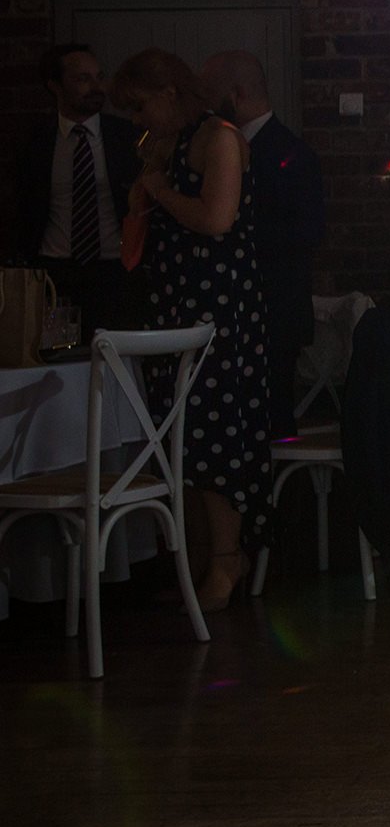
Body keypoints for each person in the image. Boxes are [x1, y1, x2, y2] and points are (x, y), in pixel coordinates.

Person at [111, 48, 273, 613]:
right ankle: (198, 557)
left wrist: (158, 192)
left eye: (140, 107)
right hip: (176, 304)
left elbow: (216, 218)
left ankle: (228, 558)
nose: (137, 120)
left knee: (217, 432)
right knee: (181, 434)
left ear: (170, 94)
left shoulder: (220, 138)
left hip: (220, 311)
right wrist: (142, 197)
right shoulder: (167, 144)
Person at [197, 50, 325, 438]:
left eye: (210, 94)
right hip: (240, 311)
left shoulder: (291, 154)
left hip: (273, 313)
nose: (204, 105)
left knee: (271, 426)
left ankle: (277, 497)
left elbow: (306, 235)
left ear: (235, 95)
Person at [8, 44, 142, 336]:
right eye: (83, 79)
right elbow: (21, 206)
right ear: (55, 86)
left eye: (99, 76)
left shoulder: (127, 137)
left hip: (114, 269)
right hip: (54, 271)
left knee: (116, 359)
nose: (97, 87)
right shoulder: (35, 141)